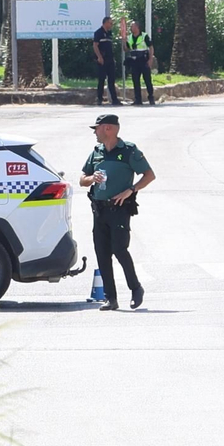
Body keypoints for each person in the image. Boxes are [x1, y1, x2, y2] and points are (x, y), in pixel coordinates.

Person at [79, 113, 154, 310]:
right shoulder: (96, 152)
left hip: (119, 208)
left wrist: (131, 190)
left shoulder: (128, 150)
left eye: (97, 128)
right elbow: (82, 179)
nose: (95, 133)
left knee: (119, 249)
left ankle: (136, 288)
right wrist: (91, 178)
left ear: (108, 128)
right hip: (99, 209)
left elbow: (149, 175)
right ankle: (110, 298)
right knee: (102, 253)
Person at [125, 19, 156, 106]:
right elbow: (126, 49)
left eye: (132, 26)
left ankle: (151, 97)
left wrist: (150, 59)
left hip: (143, 60)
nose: (131, 28)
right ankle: (138, 99)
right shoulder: (129, 37)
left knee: (147, 80)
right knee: (135, 80)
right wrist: (124, 40)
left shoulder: (144, 36)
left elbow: (151, 47)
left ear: (137, 27)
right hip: (134, 61)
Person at [92, 15, 121, 107]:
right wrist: (99, 57)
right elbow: (95, 45)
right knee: (101, 80)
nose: (111, 25)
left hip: (110, 59)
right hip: (102, 60)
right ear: (105, 23)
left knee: (111, 80)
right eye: (110, 23)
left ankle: (114, 100)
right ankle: (99, 99)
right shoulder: (98, 32)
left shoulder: (109, 33)